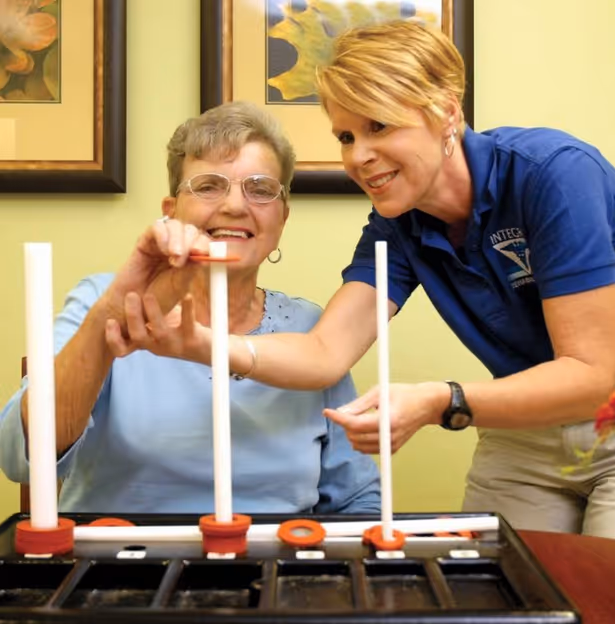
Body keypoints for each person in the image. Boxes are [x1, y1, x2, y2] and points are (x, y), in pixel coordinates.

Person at [221, 20, 615, 541]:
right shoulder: (398, 225)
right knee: (493, 606)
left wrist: (440, 400)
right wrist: (205, 343)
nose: (356, 157)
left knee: (614, 607)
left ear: (446, 112)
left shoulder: (553, 174)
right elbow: (326, 350)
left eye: (379, 126)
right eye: (346, 136)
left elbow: (589, 377)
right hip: (525, 432)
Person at [0, 101, 381, 515]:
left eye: (259, 188)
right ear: (171, 212)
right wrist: (110, 318)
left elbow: (356, 499)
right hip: (126, 568)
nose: (235, 206)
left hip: (275, 568)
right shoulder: (101, 298)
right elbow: (20, 456)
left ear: (282, 219)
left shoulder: (313, 332)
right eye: (209, 186)